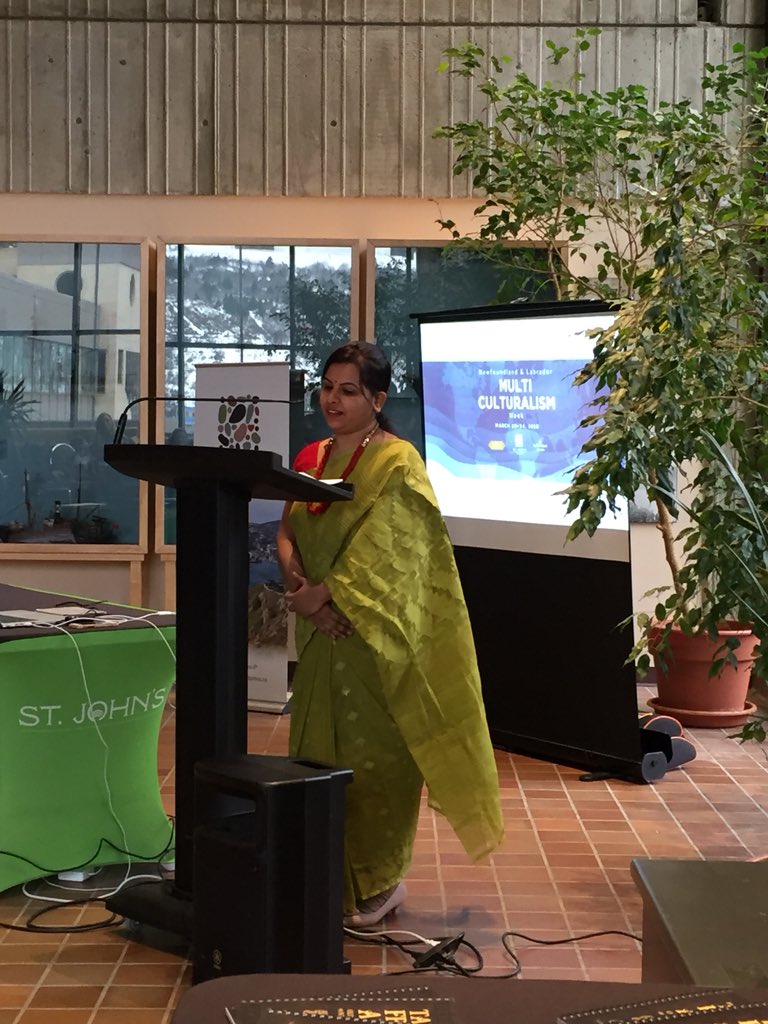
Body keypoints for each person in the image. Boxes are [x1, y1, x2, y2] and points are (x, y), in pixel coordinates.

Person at [277, 341, 504, 928]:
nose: (332, 398)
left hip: (371, 634)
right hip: (320, 635)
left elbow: (399, 551)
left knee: (375, 762)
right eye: (327, 387)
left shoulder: (398, 461)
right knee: (313, 757)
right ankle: (321, 876)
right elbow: (286, 529)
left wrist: (327, 596)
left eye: (348, 390)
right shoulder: (311, 456)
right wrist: (301, 590)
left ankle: (379, 885)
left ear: (377, 399)